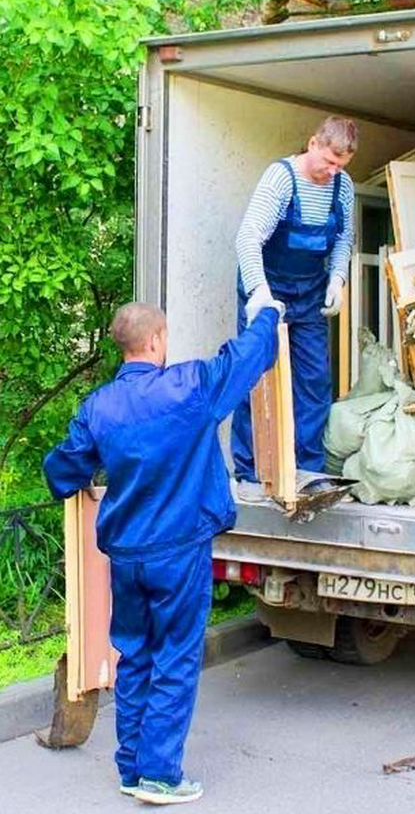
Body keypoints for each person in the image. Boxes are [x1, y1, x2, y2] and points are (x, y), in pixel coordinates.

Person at [43, 294, 283, 805]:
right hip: (178, 552)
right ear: (155, 341)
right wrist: (268, 312)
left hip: (126, 556)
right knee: (175, 656)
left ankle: (131, 767)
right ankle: (159, 776)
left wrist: (81, 480)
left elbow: (61, 470)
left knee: (134, 655)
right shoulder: (189, 388)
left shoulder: (100, 407)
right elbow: (244, 359)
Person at [232, 115, 357, 502]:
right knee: (255, 377)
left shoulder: (343, 186)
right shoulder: (281, 178)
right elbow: (248, 238)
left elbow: (343, 237)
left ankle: (309, 470)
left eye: (340, 165)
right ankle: (249, 472)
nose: (332, 171)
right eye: (329, 161)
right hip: (267, 286)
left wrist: (337, 278)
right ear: (313, 143)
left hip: (310, 292)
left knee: (315, 381)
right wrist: (259, 294)